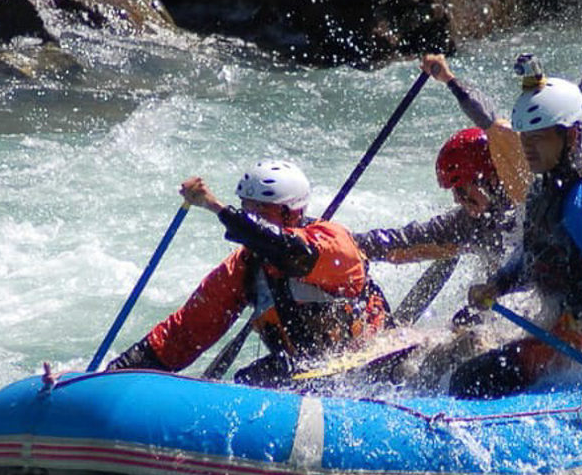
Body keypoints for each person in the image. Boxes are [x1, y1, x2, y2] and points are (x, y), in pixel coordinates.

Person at [450, 56, 582, 403]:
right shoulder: (545, 185)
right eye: (524, 138)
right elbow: (536, 254)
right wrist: (498, 285)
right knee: (465, 372)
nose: (527, 148)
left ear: (571, 135)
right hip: (566, 322)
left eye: (539, 138)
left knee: (471, 380)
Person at [105, 160, 392, 386]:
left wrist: (216, 207)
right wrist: (114, 375)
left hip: (371, 360)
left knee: (266, 375)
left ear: (290, 213)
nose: (251, 216)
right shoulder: (243, 267)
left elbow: (287, 251)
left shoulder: (331, 242)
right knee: (253, 378)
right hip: (304, 371)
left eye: (261, 210)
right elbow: (184, 333)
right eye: (246, 207)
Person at [353, 55, 529, 271]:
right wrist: (343, 242)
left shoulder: (528, 192)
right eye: (455, 192)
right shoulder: (471, 223)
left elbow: (495, 127)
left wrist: (449, 80)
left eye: (462, 191)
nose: (458, 200)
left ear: (489, 178)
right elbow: (403, 240)